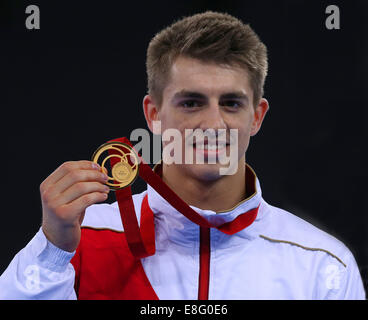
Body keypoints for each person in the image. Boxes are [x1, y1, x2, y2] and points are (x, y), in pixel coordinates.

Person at [0, 11, 365, 300]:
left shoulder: (322, 265)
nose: (212, 123)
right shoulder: (82, 238)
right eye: (191, 102)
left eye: (231, 103)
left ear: (256, 116)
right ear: (154, 114)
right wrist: (52, 252)